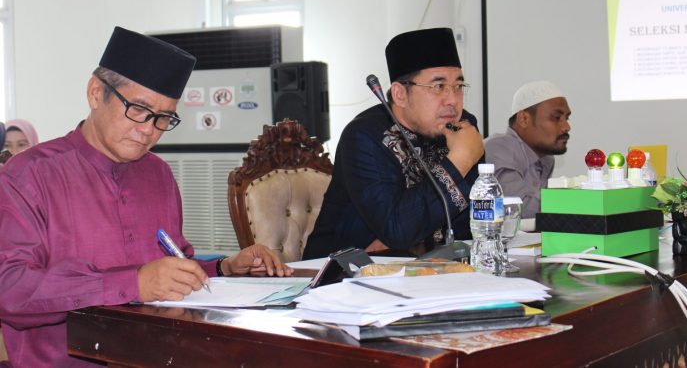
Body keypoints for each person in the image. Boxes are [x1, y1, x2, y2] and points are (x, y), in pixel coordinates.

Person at [0, 26, 291, 367]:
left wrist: (224, 268)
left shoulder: (158, 174)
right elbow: (11, 290)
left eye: (163, 118)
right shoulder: (29, 175)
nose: (148, 130)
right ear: (96, 93)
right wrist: (133, 283)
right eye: (138, 109)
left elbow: (170, 270)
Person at [303, 28, 484, 260]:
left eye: (458, 86)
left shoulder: (462, 127)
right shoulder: (365, 137)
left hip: (431, 269)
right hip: (342, 273)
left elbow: (473, 224)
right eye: (438, 87)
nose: (452, 100)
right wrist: (460, 160)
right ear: (400, 95)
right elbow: (399, 232)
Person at [484, 80, 571, 223]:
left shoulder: (546, 158)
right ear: (524, 119)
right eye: (556, 118)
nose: (566, 127)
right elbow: (519, 209)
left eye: (566, 118)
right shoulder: (498, 148)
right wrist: (580, 198)